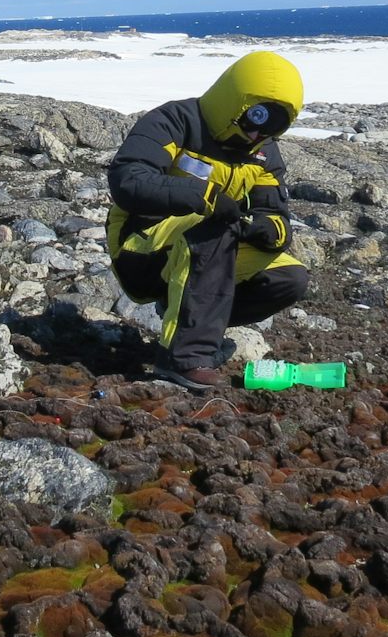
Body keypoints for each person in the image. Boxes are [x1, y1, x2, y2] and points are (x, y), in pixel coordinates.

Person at [106, 51, 311, 390]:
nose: (256, 135)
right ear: (237, 102)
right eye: (255, 118)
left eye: (271, 127)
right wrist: (205, 197)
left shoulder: (263, 153)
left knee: (289, 278)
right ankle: (184, 359)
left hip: (204, 255)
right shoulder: (176, 120)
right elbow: (129, 179)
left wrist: (267, 230)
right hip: (139, 249)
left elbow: (277, 216)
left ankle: (188, 321)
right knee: (217, 226)